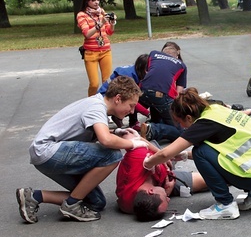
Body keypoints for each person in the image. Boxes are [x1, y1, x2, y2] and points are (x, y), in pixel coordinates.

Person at [16, 76, 153, 224]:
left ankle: (33, 197)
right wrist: (132, 144)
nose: (132, 111)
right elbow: (105, 140)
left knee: (96, 202)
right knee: (111, 155)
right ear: (118, 98)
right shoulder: (96, 107)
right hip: (47, 150)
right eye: (131, 105)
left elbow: (103, 136)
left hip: (48, 155)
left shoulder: (97, 107)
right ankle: (71, 205)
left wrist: (120, 133)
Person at [143, 87, 251, 220]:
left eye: (180, 123)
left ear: (188, 117)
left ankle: (225, 205)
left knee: (199, 152)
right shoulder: (216, 109)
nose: (181, 127)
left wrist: (147, 163)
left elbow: (164, 154)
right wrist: (185, 155)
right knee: (202, 151)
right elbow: (224, 149)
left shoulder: (204, 123)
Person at [116, 134, 207, 221]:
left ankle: (153, 135)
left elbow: (131, 136)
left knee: (170, 149)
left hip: (158, 158)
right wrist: (167, 192)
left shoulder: (137, 158)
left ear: (150, 191)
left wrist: (162, 155)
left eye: (166, 199)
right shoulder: (142, 206)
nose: (169, 199)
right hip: (165, 179)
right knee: (209, 181)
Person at [77, 0, 117, 97]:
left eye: (98, 0)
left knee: (107, 82)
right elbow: (87, 33)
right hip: (91, 52)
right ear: (87, 0)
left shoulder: (102, 12)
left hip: (105, 50)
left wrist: (112, 23)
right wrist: (101, 23)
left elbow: (109, 31)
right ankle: (90, 103)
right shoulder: (81, 15)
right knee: (94, 84)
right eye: (93, 0)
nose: (96, 2)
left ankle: (106, 103)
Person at [98, 54, 150, 129]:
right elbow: (131, 101)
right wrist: (147, 113)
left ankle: (119, 118)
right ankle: (132, 122)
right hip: (105, 99)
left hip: (110, 96)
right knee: (132, 101)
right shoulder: (129, 77)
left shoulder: (134, 71)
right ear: (145, 69)